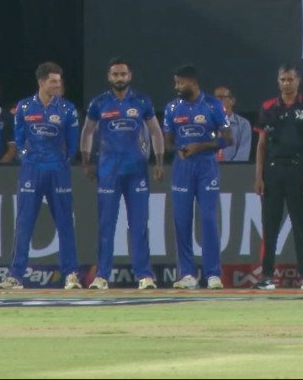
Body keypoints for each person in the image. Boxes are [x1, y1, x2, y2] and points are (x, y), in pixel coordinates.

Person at [80, 58, 165, 290]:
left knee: (138, 224)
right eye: (115, 74)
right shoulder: (99, 103)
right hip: (108, 170)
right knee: (107, 224)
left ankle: (144, 275)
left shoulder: (141, 101)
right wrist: (86, 161)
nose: (119, 78)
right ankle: (102, 276)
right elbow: (87, 132)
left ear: (130, 76)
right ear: (109, 77)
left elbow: (156, 133)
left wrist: (158, 162)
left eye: (123, 74)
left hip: (136, 169)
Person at [0, 62, 81, 290]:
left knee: (65, 223)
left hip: (58, 172)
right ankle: (16, 275)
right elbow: (18, 138)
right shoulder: (24, 108)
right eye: (54, 81)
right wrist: (28, 157)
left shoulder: (67, 109)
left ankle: (71, 275)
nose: (58, 84)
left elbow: (72, 146)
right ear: (42, 82)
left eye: (59, 81)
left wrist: (61, 161)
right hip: (31, 171)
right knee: (24, 223)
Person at [253, 64, 303, 290]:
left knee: (301, 225)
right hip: (273, 172)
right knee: (270, 225)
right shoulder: (267, 107)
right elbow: (261, 145)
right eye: (282, 79)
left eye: (290, 79)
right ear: (278, 81)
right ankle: (266, 276)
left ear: (298, 81)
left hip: (298, 170)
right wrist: (259, 177)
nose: (286, 83)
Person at [163, 65, 231, 290]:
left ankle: (213, 274)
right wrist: (180, 149)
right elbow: (168, 141)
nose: (177, 87)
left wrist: (200, 146)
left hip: (206, 166)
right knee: (182, 221)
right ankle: (188, 275)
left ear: (192, 82)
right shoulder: (172, 108)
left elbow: (227, 139)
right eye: (176, 83)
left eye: (180, 83)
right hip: (182, 167)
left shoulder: (213, 105)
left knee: (209, 220)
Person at [213, 86, 252, 162]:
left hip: (234, 171)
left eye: (221, 97)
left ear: (232, 101)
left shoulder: (243, 124)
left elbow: (243, 153)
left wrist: (231, 169)